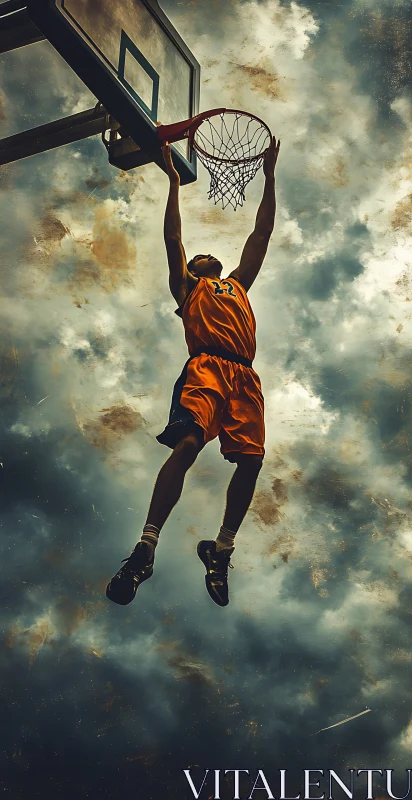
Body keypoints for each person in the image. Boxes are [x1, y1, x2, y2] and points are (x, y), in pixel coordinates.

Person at [106, 135, 280, 608]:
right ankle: (146, 546)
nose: (206, 254)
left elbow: (261, 234)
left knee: (252, 460)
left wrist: (268, 177)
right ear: (195, 268)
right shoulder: (186, 288)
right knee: (187, 444)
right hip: (206, 368)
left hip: (245, 376)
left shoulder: (238, 284)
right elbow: (173, 240)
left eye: (208, 255)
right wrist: (172, 181)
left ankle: (220, 549)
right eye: (200, 255)